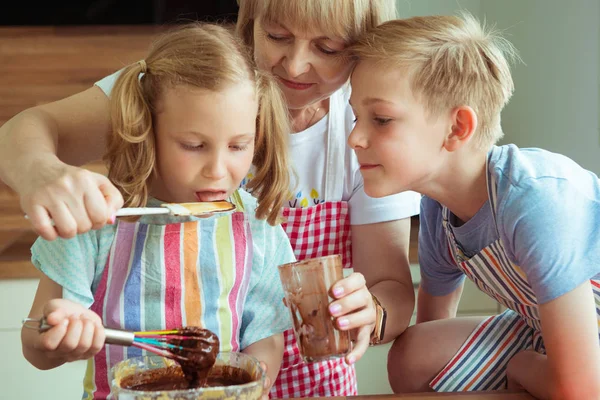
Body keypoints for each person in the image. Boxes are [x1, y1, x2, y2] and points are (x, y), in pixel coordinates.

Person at [0, 1, 421, 397]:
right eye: (276, 36)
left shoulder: (355, 138)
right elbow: (28, 131)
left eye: (327, 47)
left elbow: (392, 290)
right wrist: (42, 173)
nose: (293, 64)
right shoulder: (172, 82)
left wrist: (369, 313)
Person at [20, 22, 296, 400]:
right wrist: (60, 335)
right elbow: (35, 344)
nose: (218, 169)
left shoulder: (256, 224)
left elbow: (264, 337)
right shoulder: (97, 217)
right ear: (147, 128)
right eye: (194, 145)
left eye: (237, 146)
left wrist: (256, 384)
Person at [348, 12, 600, 399]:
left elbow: (583, 390)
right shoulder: (438, 210)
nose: (354, 138)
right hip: (551, 336)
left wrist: (522, 367)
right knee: (413, 354)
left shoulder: (536, 199)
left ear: (457, 128)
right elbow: (429, 340)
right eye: (355, 117)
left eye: (380, 119)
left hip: (587, 359)